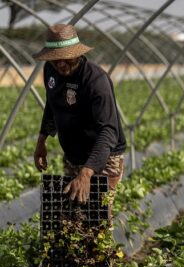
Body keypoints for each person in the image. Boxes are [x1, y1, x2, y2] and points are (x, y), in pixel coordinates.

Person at [33, 24, 126, 204]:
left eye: (66, 58)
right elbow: (52, 104)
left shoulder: (96, 81)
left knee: (97, 211)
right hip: (73, 155)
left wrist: (87, 172)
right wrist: (42, 140)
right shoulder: (50, 70)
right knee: (72, 211)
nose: (61, 64)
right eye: (55, 59)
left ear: (77, 53)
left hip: (104, 157)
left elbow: (108, 131)